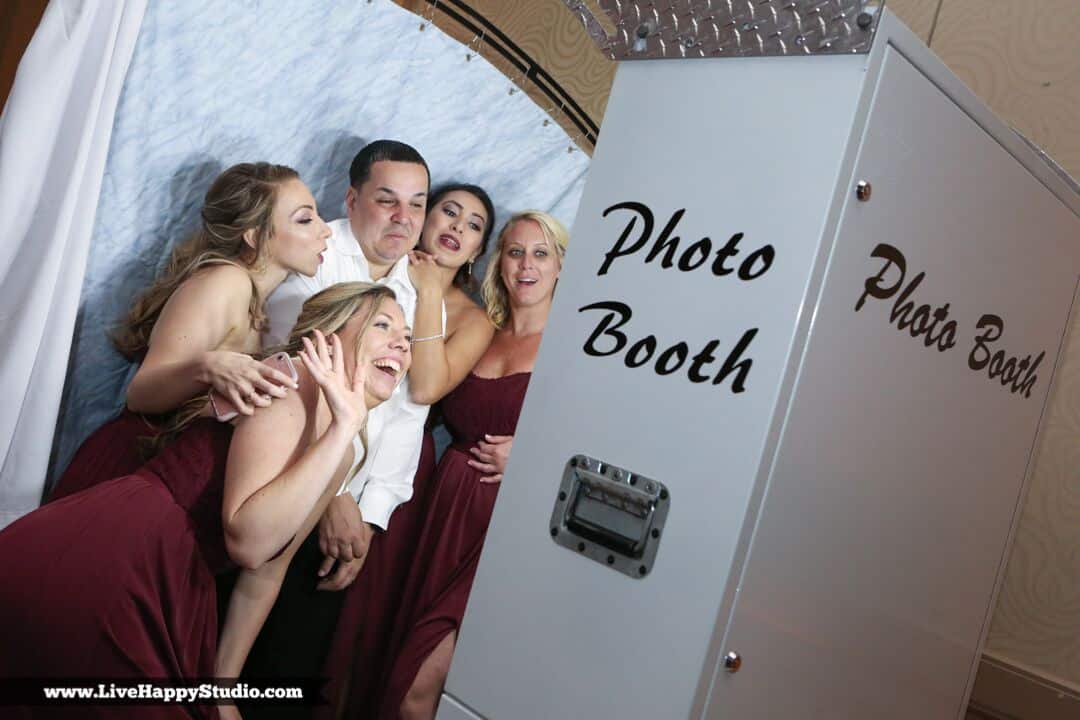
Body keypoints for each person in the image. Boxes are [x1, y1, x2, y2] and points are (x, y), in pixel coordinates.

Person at [0, 282, 411, 719]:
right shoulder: (286, 383)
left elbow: (268, 572)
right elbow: (248, 544)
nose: (400, 345)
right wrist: (343, 427)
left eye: (407, 338)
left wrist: (224, 690)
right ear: (330, 334)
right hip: (118, 558)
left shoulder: (341, 448)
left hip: (173, 578)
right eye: (383, 324)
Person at [241, 141, 434, 693]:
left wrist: (370, 517)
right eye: (387, 200)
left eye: (417, 205)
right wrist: (338, 495)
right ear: (351, 199)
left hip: (349, 519)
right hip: (279, 482)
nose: (404, 218)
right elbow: (287, 381)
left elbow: (408, 411)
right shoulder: (312, 260)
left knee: (292, 667)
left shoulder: (422, 291)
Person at [378, 211, 569, 720]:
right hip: (443, 513)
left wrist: (534, 459)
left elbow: (610, 448)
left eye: (541, 253)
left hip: (509, 530)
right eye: (514, 251)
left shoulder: (576, 350)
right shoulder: (483, 331)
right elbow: (417, 395)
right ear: (498, 263)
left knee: (418, 685)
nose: (526, 265)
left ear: (561, 266)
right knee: (398, 665)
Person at [317, 183, 497, 718]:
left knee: (356, 608)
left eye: (473, 225)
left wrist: (432, 288)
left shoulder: (474, 317)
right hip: (328, 440)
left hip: (400, 470)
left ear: (477, 251)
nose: (457, 228)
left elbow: (424, 389)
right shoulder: (384, 270)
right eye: (449, 212)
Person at [50, 162, 329, 501]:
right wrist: (207, 366)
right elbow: (140, 394)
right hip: (129, 471)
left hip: (166, 474)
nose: (325, 230)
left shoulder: (259, 299)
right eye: (305, 219)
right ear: (254, 236)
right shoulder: (225, 283)